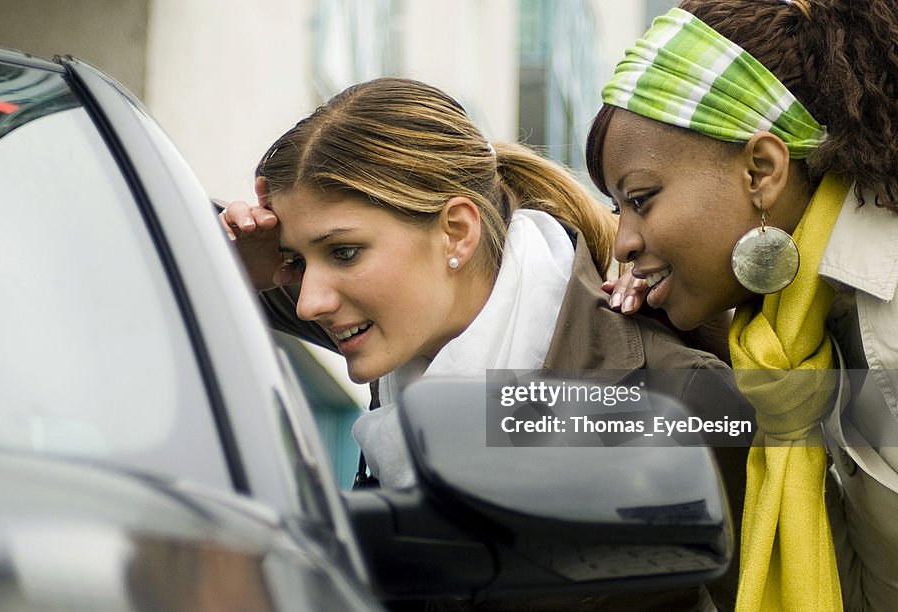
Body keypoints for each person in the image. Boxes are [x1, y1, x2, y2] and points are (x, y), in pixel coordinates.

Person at [221, 77, 753, 610]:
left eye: (342, 253)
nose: (309, 301)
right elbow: (152, 237)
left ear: (456, 231)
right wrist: (238, 262)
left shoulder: (672, 396)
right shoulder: (411, 328)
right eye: (296, 261)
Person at [585, 0, 898, 609]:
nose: (623, 240)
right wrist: (682, 343)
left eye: (640, 199)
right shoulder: (787, 347)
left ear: (761, 170)